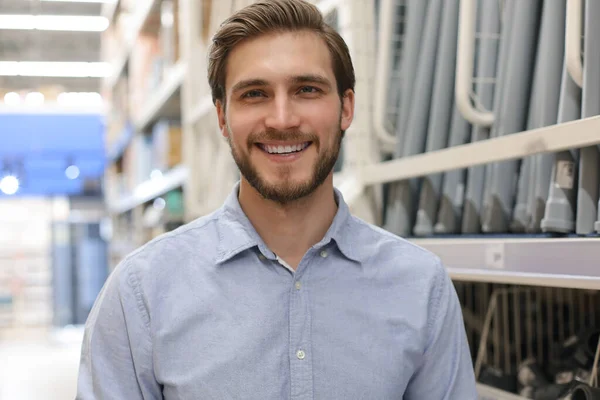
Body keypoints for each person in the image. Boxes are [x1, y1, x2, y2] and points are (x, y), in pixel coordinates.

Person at [76, 0, 478, 398]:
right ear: (222, 118)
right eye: (254, 94)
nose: (282, 119)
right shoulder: (142, 292)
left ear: (346, 108)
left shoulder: (420, 286)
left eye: (307, 89)